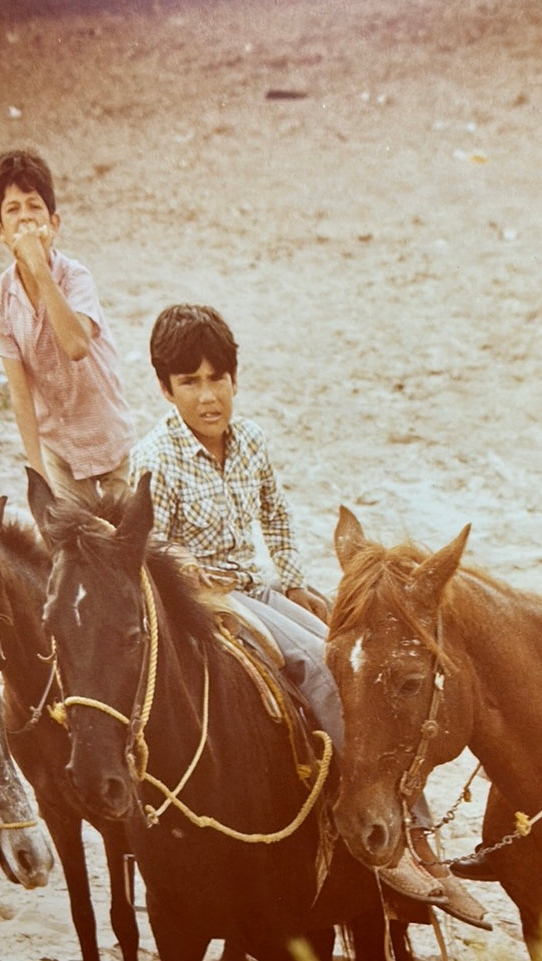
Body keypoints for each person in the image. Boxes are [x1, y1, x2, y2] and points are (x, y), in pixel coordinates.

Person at [129, 303, 490, 929]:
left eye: (218, 379)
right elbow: (153, 547)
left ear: (235, 380)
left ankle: (417, 832)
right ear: (166, 389)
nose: (208, 396)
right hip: (208, 603)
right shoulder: (155, 456)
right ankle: (391, 845)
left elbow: (275, 520)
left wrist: (299, 585)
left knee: (359, 671)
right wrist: (196, 579)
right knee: (324, 681)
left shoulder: (251, 441)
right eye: (190, 383)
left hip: (261, 587)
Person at [0, 149, 135, 507]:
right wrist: (38, 476)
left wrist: (39, 269)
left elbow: (76, 345)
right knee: (69, 545)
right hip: (60, 451)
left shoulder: (75, 277)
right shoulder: (1, 299)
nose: (25, 219)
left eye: (34, 207)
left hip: (107, 439)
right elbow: (20, 395)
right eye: (13, 210)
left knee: (122, 544)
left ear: (53, 223)